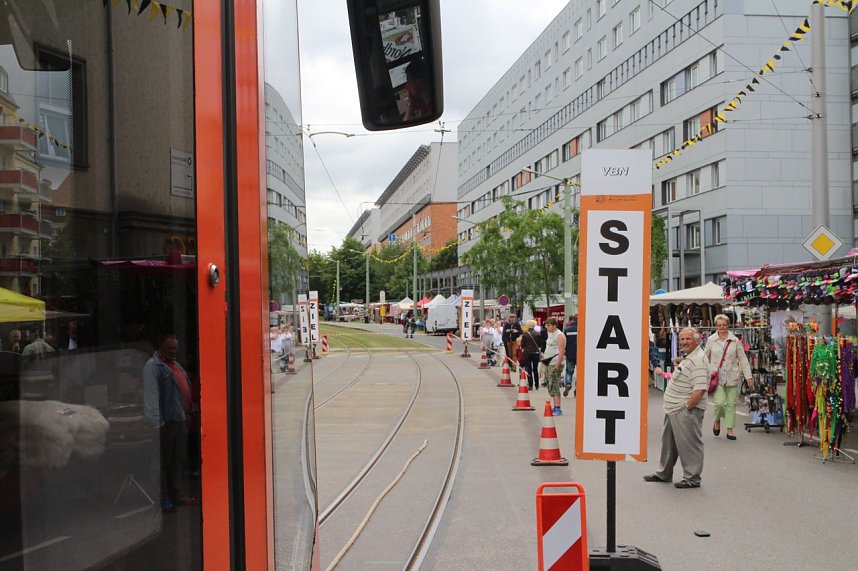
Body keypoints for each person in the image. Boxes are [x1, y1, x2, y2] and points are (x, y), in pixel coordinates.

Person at [644, 327, 709, 489]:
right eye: (682, 339)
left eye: (688, 339)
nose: (684, 342)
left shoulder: (699, 359)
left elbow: (699, 389)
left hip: (684, 409)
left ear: (697, 340)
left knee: (690, 444)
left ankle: (692, 477)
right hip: (674, 408)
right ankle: (664, 473)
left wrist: (687, 407)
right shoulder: (690, 357)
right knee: (669, 443)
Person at [143, 335, 197, 512]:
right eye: (169, 348)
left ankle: (177, 495)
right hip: (166, 422)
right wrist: (158, 422)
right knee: (162, 462)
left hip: (179, 419)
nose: (173, 351)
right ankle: (163, 498)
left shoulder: (175, 364)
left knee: (178, 460)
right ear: (160, 348)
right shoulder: (153, 366)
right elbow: (151, 397)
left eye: (175, 348)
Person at [705, 314, 753, 440]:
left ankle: (730, 429)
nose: (722, 327)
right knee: (720, 403)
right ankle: (717, 421)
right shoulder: (711, 340)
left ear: (728, 325)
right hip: (717, 376)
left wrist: (748, 376)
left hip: (732, 375)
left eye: (724, 325)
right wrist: (705, 372)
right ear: (716, 326)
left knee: (731, 404)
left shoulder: (735, 340)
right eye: (719, 325)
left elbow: (742, 358)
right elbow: (705, 357)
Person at [538, 317, 566, 415]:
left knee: (554, 384)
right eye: (546, 326)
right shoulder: (550, 334)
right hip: (548, 362)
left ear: (554, 325)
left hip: (555, 362)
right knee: (549, 384)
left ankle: (557, 408)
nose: (547, 328)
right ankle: (556, 406)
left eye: (549, 325)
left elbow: (561, 351)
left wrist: (558, 364)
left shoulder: (559, 335)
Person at [520, 320, 542, 391]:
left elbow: (522, 345)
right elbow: (540, 344)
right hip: (535, 353)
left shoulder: (525, 334)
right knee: (535, 369)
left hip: (527, 353)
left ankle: (530, 385)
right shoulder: (537, 334)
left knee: (528, 369)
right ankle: (537, 384)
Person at [563, 315, 578, 397]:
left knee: (569, 371)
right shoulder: (583, 329)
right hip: (580, 355)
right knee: (580, 373)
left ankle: (568, 384)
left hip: (570, 354)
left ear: (572, 321)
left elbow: (564, 343)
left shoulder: (567, 330)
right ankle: (578, 389)